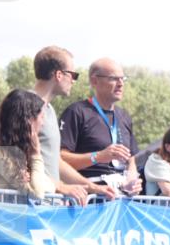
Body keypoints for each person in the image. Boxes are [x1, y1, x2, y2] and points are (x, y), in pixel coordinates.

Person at [30, 46, 113, 205]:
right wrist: (61, 187)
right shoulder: (25, 105)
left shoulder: (50, 110)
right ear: (59, 75)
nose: (74, 81)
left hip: (48, 205)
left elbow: (56, 162)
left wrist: (92, 187)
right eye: (73, 75)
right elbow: (17, 162)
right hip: (30, 207)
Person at [59, 58, 141, 194]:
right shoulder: (77, 112)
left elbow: (131, 160)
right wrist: (98, 156)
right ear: (94, 81)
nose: (120, 84)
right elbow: (60, 158)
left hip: (120, 199)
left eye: (123, 78)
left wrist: (132, 181)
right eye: (113, 78)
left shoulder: (124, 116)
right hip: (90, 198)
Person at [0, 90, 57, 199]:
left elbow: (50, 186)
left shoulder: (22, 152)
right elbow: (37, 194)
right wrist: (36, 155)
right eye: (41, 117)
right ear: (29, 120)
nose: (43, 123)